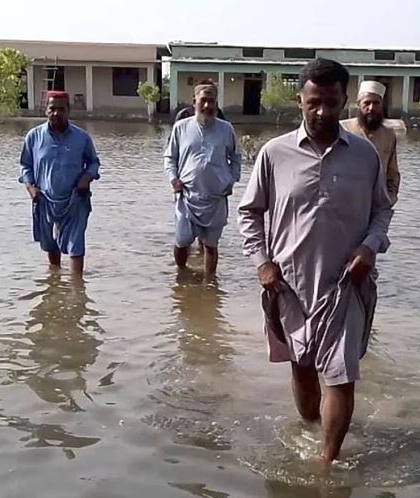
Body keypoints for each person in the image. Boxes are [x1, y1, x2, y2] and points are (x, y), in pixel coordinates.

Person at [238, 58, 393, 469]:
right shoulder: (274, 154)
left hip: (346, 282)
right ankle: (311, 429)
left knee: (341, 375)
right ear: (299, 101)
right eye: (314, 102)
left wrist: (371, 246)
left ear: (345, 101)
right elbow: (249, 212)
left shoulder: (364, 155)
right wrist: (261, 263)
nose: (323, 111)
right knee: (303, 368)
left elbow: (382, 209)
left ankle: (327, 464)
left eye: (332, 101)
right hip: (288, 285)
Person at [19, 91, 100, 277]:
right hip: (45, 199)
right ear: (45, 110)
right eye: (52, 108)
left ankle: (77, 291)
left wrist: (86, 179)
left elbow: (94, 162)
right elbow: (25, 165)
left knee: (76, 244)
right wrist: (31, 188)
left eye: (61, 109)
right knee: (49, 244)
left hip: (75, 199)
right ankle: (54, 284)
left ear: (68, 111)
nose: (56, 113)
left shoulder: (82, 138)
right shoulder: (33, 137)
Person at [164, 81, 241, 278]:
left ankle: (209, 284)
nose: (207, 106)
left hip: (216, 198)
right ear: (194, 102)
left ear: (217, 104)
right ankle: (181, 276)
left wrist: (231, 180)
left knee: (211, 245)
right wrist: (173, 179)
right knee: (182, 242)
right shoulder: (181, 128)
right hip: (187, 197)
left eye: (212, 101)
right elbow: (170, 157)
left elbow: (236, 157)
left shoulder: (226, 129)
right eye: (203, 101)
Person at [341, 80, 401, 204]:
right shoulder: (342, 129)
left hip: (377, 204)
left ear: (382, 105)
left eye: (376, 103)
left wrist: (391, 198)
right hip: (345, 202)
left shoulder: (389, 135)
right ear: (359, 104)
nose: (371, 108)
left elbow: (393, 173)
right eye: (367, 103)